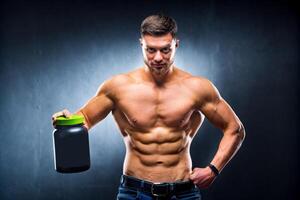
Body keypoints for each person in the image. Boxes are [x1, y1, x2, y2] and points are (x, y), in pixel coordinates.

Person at [52, 14, 245, 200]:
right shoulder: (118, 87)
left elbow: (235, 129)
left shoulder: (198, 88)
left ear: (176, 45)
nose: (158, 57)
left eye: (166, 49)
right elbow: (84, 119)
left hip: (182, 191)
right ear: (141, 45)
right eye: (151, 50)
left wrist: (213, 169)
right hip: (134, 191)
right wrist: (66, 121)